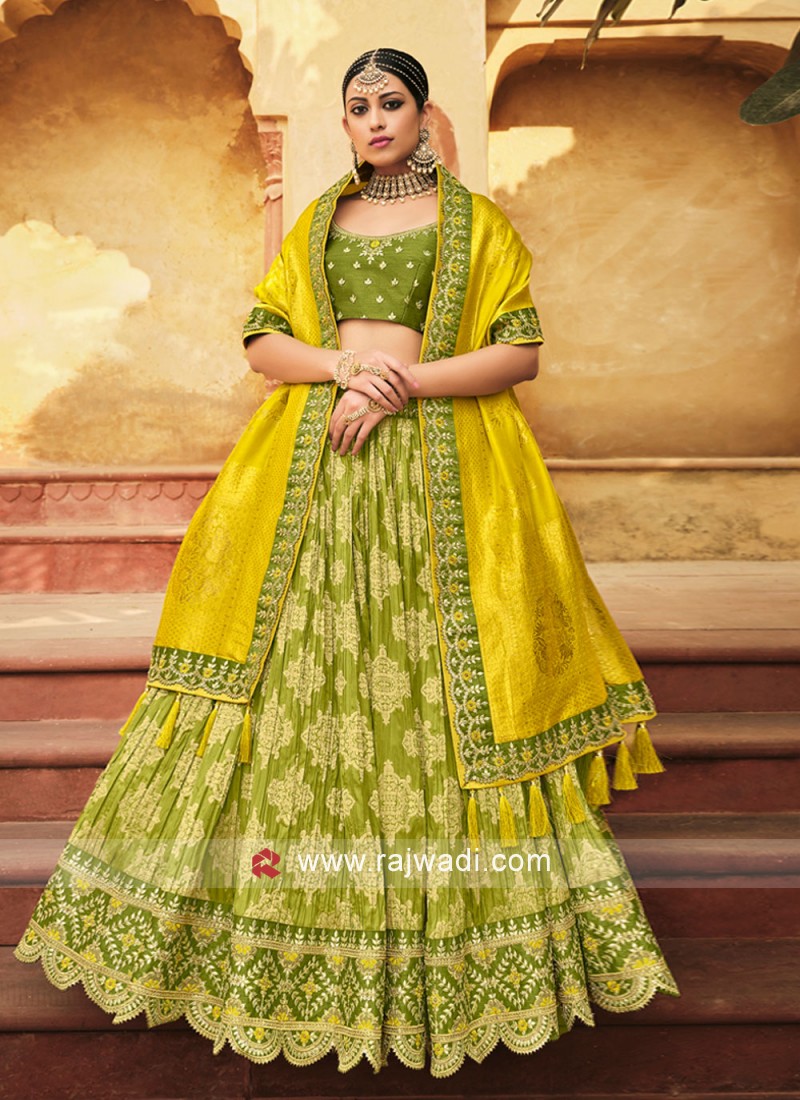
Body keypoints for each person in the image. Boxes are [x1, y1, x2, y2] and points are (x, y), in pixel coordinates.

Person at [14, 47, 680, 1077]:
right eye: (357, 107)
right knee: (296, 681)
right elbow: (261, 338)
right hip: (313, 475)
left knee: (432, 687)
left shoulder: (476, 225)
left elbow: (518, 351)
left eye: (390, 104)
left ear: (422, 113)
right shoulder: (321, 221)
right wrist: (343, 368)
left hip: (441, 475)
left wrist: (398, 385)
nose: (372, 121)